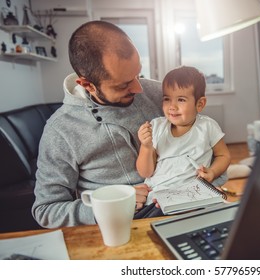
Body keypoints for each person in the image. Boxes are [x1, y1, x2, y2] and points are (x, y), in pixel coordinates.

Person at [32, 20, 165, 228]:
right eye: (124, 84)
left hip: (178, 205)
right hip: (119, 225)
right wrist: (108, 205)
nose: (139, 88)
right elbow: (46, 210)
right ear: (87, 85)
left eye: (138, 74)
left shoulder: (158, 93)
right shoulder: (60, 131)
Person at [136, 66, 231, 205]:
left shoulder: (207, 126)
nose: (172, 106)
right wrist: (146, 146)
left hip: (194, 193)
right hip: (160, 195)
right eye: (167, 99)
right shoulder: (156, 127)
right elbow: (146, 173)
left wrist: (212, 172)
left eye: (180, 100)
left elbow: (224, 155)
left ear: (200, 104)